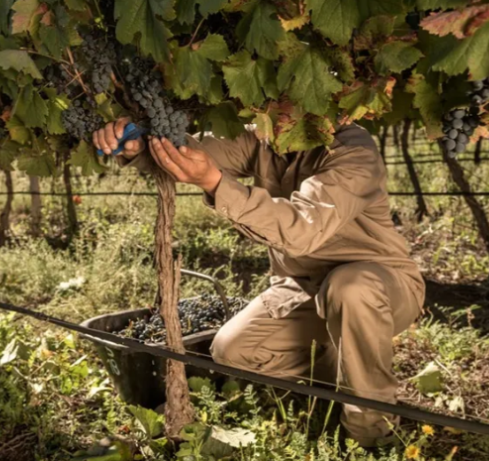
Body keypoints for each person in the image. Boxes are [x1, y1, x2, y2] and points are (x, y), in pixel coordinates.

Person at [91, 118, 425, 447]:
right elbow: (193, 151)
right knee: (234, 351)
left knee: (350, 288)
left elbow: (302, 229)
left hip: (381, 285)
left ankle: (371, 435)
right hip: (303, 288)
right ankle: (353, 372)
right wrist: (142, 145)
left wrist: (215, 182)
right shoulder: (266, 136)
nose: (269, 111)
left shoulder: (353, 151)